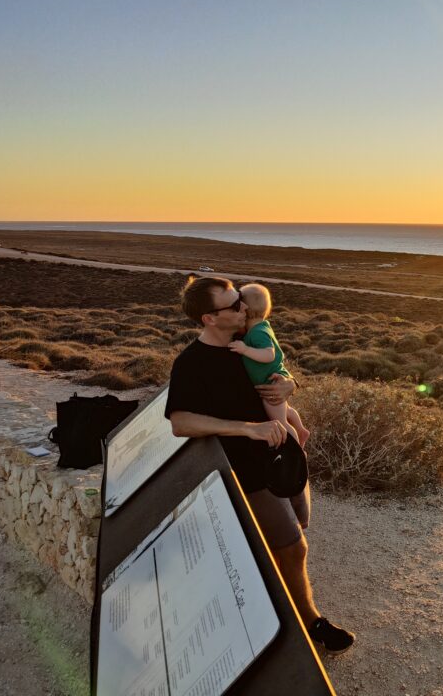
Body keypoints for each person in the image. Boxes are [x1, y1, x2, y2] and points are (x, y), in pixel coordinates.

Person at [164, 275, 354, 654]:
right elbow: (180, 421)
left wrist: (289, 383)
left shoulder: (248, 342)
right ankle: (308, 620)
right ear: (209, 319)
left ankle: (270, 599)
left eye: (241, 299)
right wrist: (246, 429)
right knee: (293, 545)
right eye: (233, 305)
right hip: (246, 470)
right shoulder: (192, 363)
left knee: (295, 528)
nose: (243, 307)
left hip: (284, 456)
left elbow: (276, 374)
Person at [231, 282, 311, 528]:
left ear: (245, 310)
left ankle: (294, 442)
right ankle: (298, 427)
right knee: (285, 412)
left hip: (269, 388)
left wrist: (244, 349)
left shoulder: (256, 333)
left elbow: (270, 355)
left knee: (278, 418)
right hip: (270, 384)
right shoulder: (255, 328)